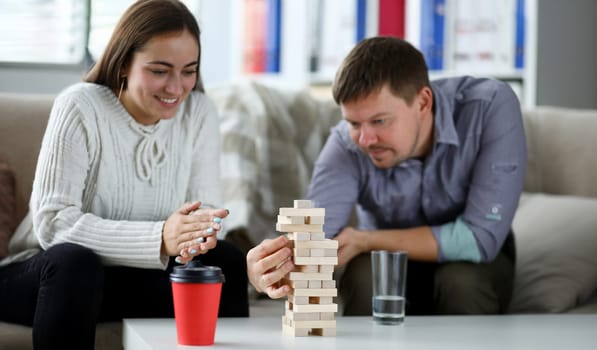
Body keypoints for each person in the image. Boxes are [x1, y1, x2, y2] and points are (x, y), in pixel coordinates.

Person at [0, 1, 248, 348]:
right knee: (75, 262)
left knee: (226, 261)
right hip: (47, 276)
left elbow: (205, 210)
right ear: (123, 64)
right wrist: (160, 237)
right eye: (160, 70)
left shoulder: (199, 112)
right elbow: (53, 224)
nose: (176, 88)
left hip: (130, 279)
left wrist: (199, 233)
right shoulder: (81, 105)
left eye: (188, 71)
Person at [247, 36, 525, 316]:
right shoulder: (347, 142)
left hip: (475, 264)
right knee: (365, 275)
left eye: (379, 121)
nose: (365, 140)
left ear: (423, 102)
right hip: (387, 260)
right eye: (354, 123)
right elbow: (315, 233)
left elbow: (479, 239)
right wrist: (274, 264)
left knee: (461, 282)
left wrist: (366, 240)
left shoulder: (490, 106)